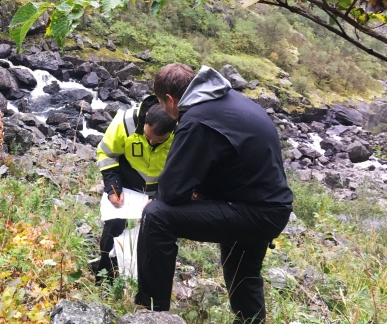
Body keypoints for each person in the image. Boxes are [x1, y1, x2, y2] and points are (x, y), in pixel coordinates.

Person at [136, 64, 293, 323]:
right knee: (243, 273)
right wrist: (198, 192)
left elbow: (171, 191)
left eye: (164, 106)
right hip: (268, 207)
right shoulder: (226, 100)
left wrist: (192, 193)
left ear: (171, 100)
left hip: (250, 209)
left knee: (156, 216)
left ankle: (153, 314)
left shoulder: (196, 119)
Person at [94, 95, 177, 281]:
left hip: (160, 191)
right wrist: (112, 186)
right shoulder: (125, 122)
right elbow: (107, 154)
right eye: (148, 137)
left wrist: (160, 198)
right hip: (127, 184)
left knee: (154, 232)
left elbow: (184, 172)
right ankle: (105, 274)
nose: (152, 143)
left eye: (159, 141)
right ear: (145, 118)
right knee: (114, 223)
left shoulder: (183, 133)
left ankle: (141, 280)